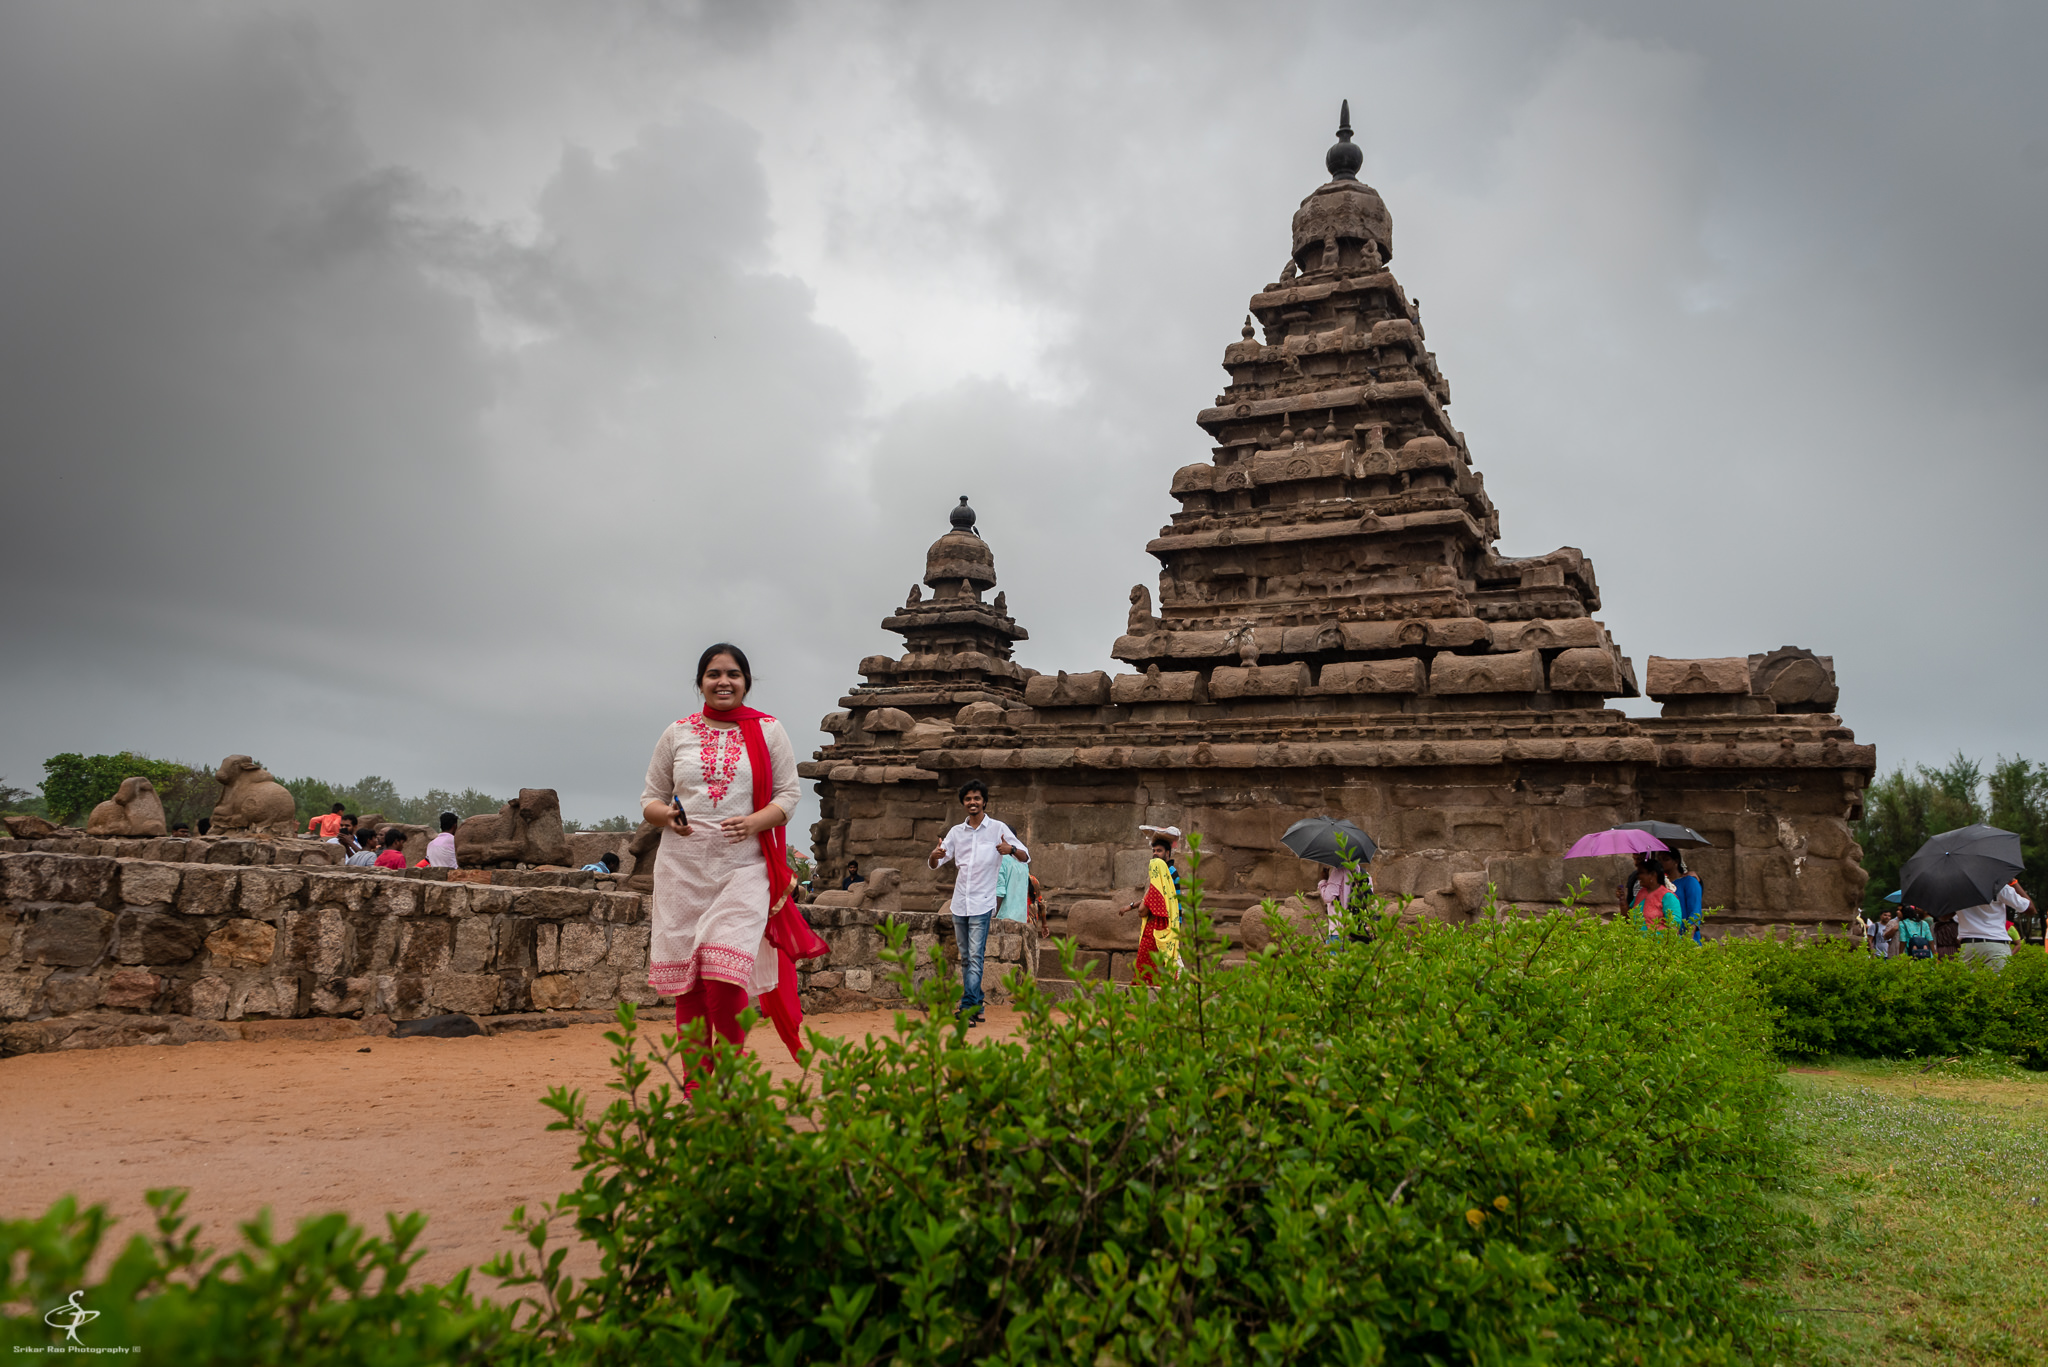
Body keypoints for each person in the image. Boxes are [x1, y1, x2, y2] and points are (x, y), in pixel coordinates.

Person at [641, 643, 823, 1084]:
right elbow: (650, 799)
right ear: (700, 682)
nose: (724, 681)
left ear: (746, 681)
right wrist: (669, 816)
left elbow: (789, 795)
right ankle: (696, 1088)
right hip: (682, 868)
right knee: (690, 981)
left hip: (745, 866)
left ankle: (726, 1080)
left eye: (733, 674)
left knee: (725, 975)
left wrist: (755, 822)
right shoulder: (677, 733)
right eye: (714, 674)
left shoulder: (769, 730)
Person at [929, 778, 1029, 1024]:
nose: (972, 802)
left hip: (983, 903)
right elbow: (935, 863)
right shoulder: (956, 832)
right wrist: (934, 855)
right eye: (968, 799)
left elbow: (1025, 857)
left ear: (984, 801)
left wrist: (1011, 850)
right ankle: (978, 1004)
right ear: (963, 803)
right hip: (960, 902)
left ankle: (969, 1009)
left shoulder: (998, 829)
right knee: (966, 956)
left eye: (976, 798)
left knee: (975, 956)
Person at [1121, 833, 1183, 982]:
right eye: (1153, 851)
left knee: (1167, 964)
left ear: (1167, 853)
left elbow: (1162, 900)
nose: (1155, 854)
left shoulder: (1169, 872)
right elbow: (1153, 897)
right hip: (1162, 922)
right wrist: (1131, 906)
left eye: (1159, 851)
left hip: (1164, 924)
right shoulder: (1160, 874)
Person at [1957, 879, 2031, 969]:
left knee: (1967, 982)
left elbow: (1944, 917)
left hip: (1968, 946)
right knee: (1999, 982)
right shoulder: (1999, 887)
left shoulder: (1958, 889)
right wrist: (2013, 882)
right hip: (1996, 944)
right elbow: (2030, 909)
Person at [1655, 851, 1704, 943]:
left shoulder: (1689, 881)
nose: (1661, 863)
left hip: (1685, 937)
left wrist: (1688, 937)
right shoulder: (1660, 885)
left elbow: (1695, 911)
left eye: (1666, 859)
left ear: (1676, 861)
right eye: (1659, 860)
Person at [1630, 863, 1679, 932]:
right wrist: (1622, 900)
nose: (1638, 876)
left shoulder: (1668, 897)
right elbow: (1628, 916)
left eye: (1641, 873)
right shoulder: (1640, 893)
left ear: (1653, 874)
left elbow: (1674, 927)